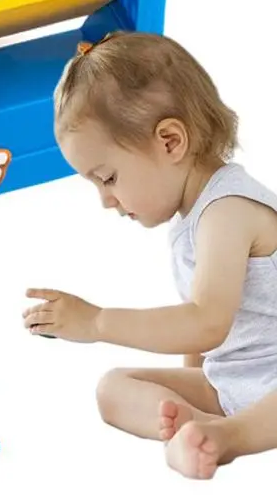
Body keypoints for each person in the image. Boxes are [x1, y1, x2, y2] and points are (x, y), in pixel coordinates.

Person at [23, 32, 277, 478]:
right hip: (236, 380)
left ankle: (227, 436)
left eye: (108, 178)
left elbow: (206, 322)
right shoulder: (193, 216)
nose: (106, 200)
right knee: (113, 388)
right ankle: (196, 430)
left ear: (170, 141)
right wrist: (192, 384)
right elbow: (200, 341)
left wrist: (98, 322)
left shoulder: (228, 210)